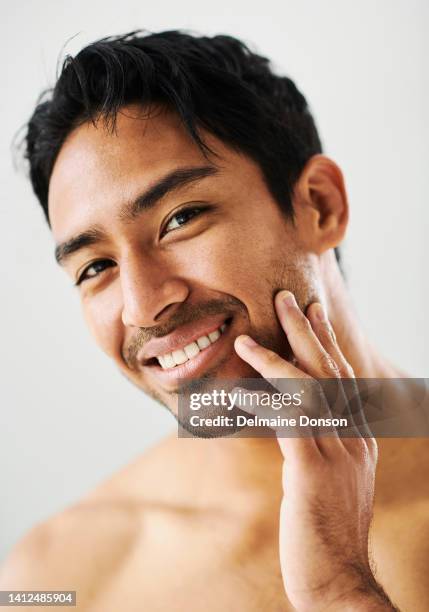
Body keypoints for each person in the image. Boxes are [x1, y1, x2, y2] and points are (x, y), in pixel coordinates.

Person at [1, 30, 428, 611]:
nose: (143, 304)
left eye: (180, 218)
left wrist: (337, 590)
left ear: (319, 206)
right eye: (96, 266)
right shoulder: (57, 575)